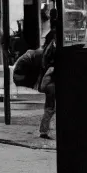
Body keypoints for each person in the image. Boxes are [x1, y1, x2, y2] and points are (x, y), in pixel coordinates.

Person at [38, 11, 59, 139]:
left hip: (51, 79)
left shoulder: (50, 43)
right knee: (51, 106)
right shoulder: (54, 46)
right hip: (53, 80)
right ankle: (44, 130)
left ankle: (44, 130)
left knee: (50, 106)